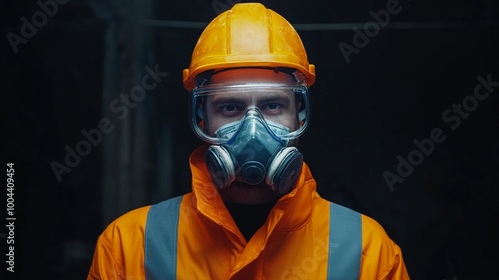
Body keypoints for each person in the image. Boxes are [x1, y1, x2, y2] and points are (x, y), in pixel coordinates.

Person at [87, 3, 410, 279]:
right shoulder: (129, 246)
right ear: (203, 118)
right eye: (230, 108)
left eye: (272, 106)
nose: (252, 128)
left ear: (298, 114)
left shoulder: (367, 250)